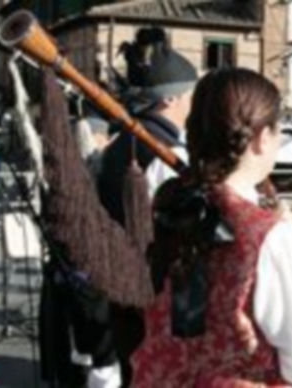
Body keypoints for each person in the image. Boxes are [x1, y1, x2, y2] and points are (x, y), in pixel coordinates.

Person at [131, 68, 292, 386]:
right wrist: (287, 240)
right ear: (262, 139)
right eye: (278, 132)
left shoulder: (171, 204)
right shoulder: (272, 238)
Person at [95, 28, 198, 385]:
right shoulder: (169, 157)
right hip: (156, 296)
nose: (192, 104)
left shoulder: (117, 146)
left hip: (119, 287)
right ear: (170, 100)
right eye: (189, 96)